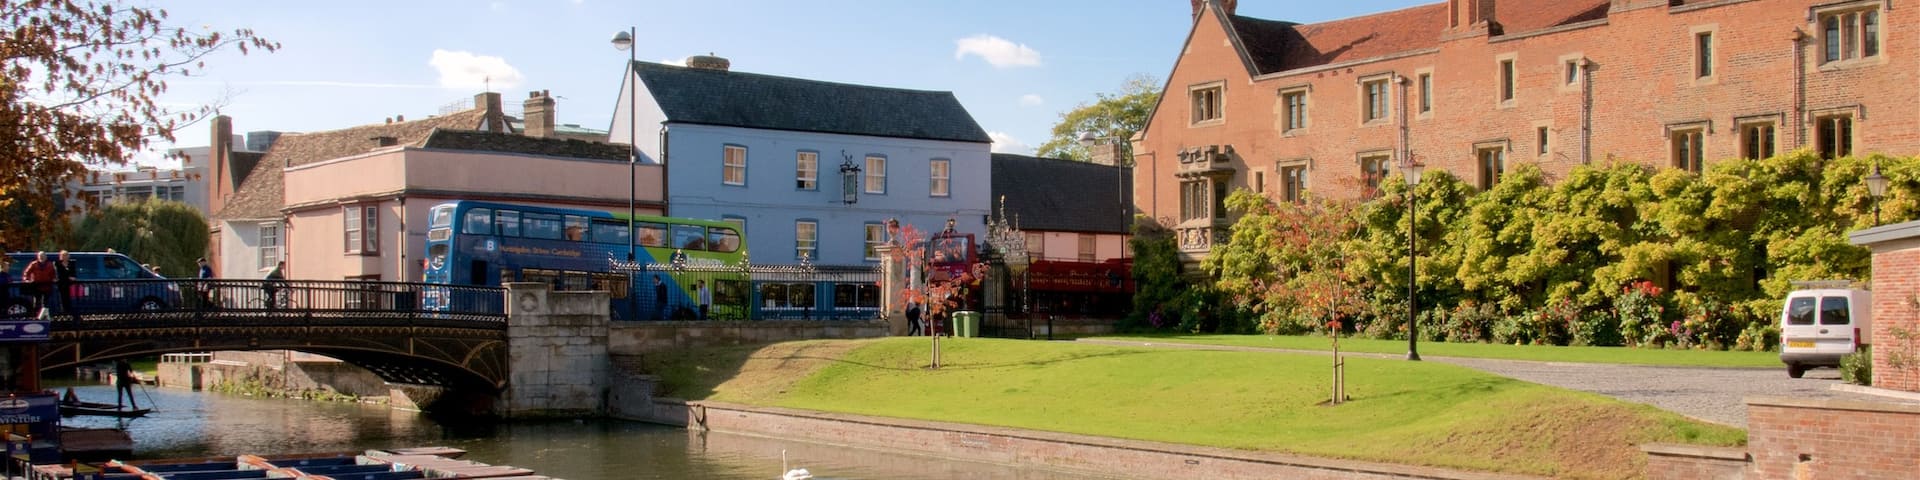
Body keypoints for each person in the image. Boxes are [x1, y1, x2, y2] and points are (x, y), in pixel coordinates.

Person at [53, 251, 77, 318]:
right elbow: (55, 273)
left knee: (69, 298)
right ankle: (62, 312)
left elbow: (74, 272)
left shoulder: (72, 263)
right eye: (63, 255)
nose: (65, 257)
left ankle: (69, 311)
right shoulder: (57, 263)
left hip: (70, 283)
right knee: (61, 297)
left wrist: (73, 277)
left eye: (66, 255)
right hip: (61, 283)